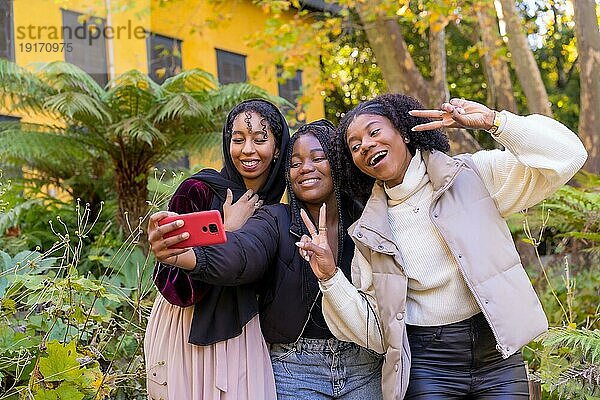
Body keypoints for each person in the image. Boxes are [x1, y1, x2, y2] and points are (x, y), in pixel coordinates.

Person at [296, 95, 588, 399]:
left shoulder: (472, 176)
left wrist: (494, 121)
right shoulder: (369, 232)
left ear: (405, 133)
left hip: (497, 357)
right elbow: (375, 329)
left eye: (374, 132)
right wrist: (330, 278)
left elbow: (568, 155)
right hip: (429, 366)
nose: (365, 146)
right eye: (354, 147)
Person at [151, 120, 384, 399]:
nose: (306, 168)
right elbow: (242, 254)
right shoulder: (275, 219)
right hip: (295, 369)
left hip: (365, 365)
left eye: (318, 158)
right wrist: (188, 256)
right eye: (295, 163)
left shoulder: (367, 220)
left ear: (338, 163)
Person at [144, 98, 290, 400]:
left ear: (277, 148)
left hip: (244, 335)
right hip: (185, 329)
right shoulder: (198, 189)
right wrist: (228, 231)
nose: (247, 150)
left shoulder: (278, 209)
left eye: (260, 139)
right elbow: (173, 285)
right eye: (238, 140)